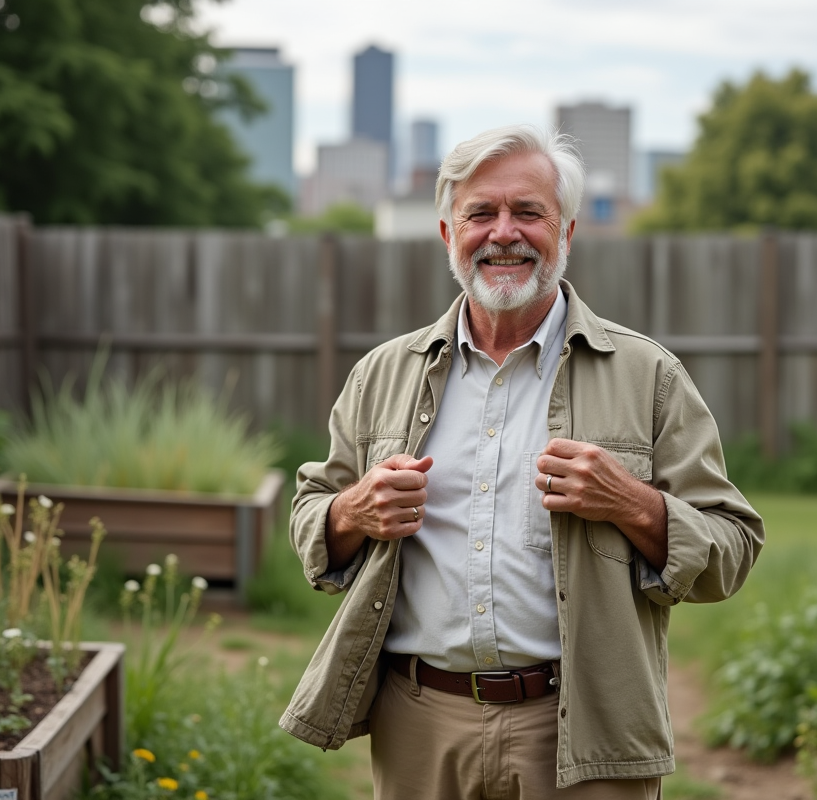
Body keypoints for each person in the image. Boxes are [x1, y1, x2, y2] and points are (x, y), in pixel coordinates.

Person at [279, 124, 764, 799]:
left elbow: (732, 548)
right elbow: (310, 523)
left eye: (528, 212)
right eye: (481, 212)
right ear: (450, 235)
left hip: (583, 731)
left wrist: (631, 502)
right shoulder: (381, 374)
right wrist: (353, 511)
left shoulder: (648, 375)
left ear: (566, 233)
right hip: (420, 727)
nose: (503, 232)